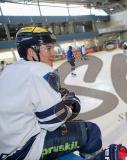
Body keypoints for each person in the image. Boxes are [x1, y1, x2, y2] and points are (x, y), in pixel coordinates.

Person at [0, 27, 104, 160]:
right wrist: (70, 106)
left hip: (6, 147)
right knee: (91, 131)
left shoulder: (8, 70)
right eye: (48, 48)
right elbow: (52, 122)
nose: (53, 52)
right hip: (25, 151)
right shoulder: (39, 70)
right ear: (31, 52)